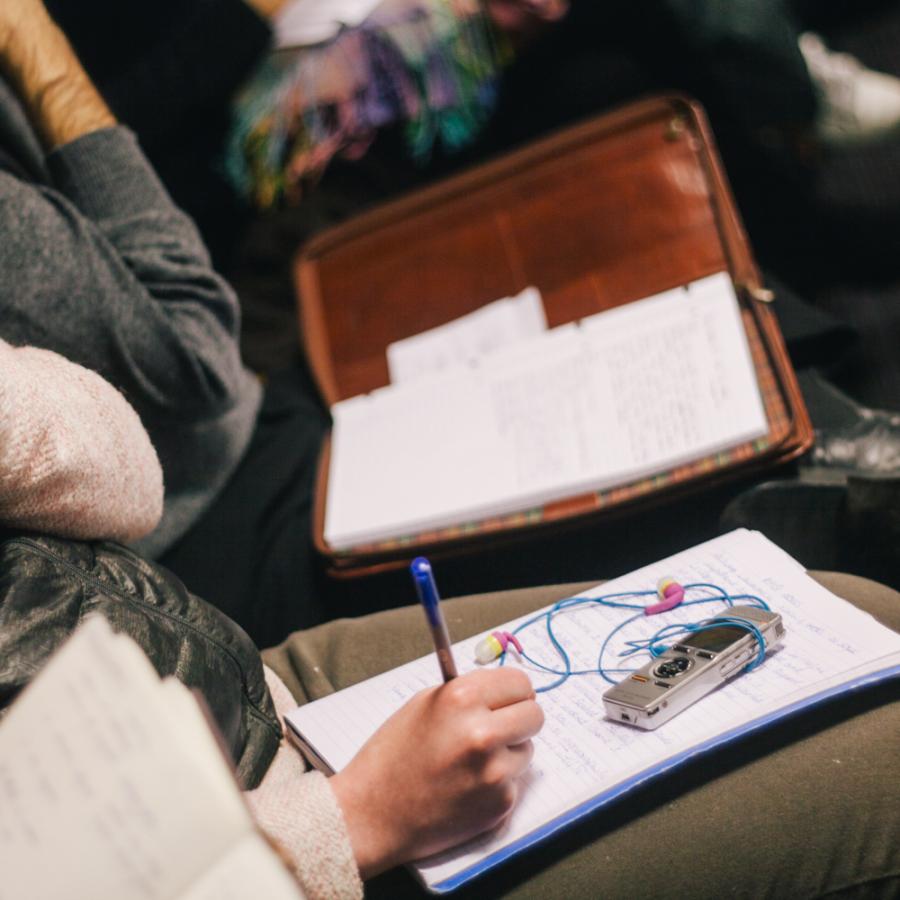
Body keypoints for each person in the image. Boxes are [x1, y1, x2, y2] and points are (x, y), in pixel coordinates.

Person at [1, 328, 898, 898]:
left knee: (853, 610)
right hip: (286, 855)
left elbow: (131, 483)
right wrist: (356, 820)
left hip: (251, 687)